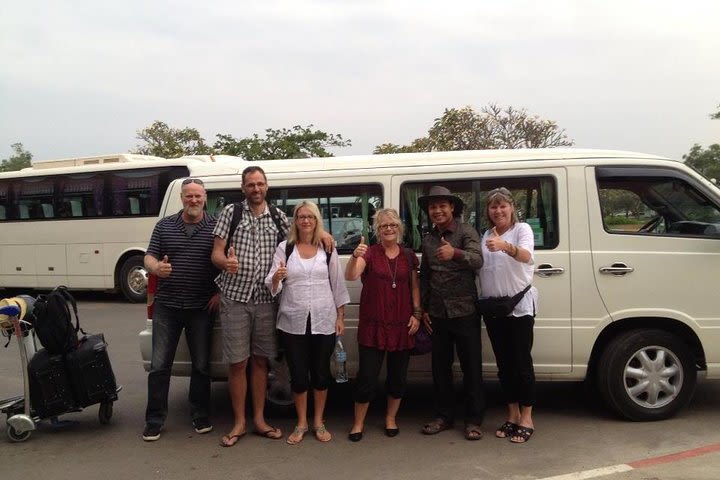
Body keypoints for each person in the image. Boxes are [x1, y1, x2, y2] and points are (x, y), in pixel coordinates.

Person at [211, 166, 334, 447]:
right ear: (243, 188)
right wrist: (225, 263)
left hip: (267, 300)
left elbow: (302, 233)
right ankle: (239, 422)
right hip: (236, 297)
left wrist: (324, 235)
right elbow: (216, 252)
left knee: (260, 361)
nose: (256, 189)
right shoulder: (231, 213)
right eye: (251, 185)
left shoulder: (278, 217)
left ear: (267, 187)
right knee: (238, 362)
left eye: (260, 184)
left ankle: (259, 420)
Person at [265, 201, 350, 445]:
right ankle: (301, 422)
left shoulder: (327, 248)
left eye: (310, 217)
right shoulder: (286, 248)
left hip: (323, 319)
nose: (305, 221)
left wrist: (341, 316)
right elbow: (272, 281)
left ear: (316, 220)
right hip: (293, 321)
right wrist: (277, 278)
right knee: (299, 376)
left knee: (321, 374)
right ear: (295, 221)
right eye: (301, 217)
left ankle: (318, 422)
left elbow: (337, 284)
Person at [142, 177, 219, 442]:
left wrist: (220, 292)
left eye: (198, 196)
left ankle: (200, 415)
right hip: (167, 306)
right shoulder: (164, 226)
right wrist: (155, 268)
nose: (193, 200)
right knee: (159, 366)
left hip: (201, 307)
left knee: (201, 366)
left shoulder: (216, 226)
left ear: (205, 197)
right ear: (182, 198)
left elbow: (226, 260)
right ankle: (154, 420)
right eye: (189, 196)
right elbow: (149, 256)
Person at [345, 208, 420, 442]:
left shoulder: (408, 256)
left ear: (400, 228)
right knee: (367, 378)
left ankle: (390, 418)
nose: (389, 229)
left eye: (393, 225)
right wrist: (354, 256)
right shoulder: (369, 253)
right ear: (377, 230)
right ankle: (358, 424)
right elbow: (351, 276)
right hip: (373, 324)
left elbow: (414, 287)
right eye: (383, 225)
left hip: (402, 323)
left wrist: (417, 313)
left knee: (397, 378)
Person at [418, 186, 486, 441]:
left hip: (465, 311)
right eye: (432, 207)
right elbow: (425, 275)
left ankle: (473, 420)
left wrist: (454, 253)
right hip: (437, 313)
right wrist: (423, 308)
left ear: (452, 208)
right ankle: (443, 417)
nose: (437, 211)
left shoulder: (466, 231)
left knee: (472, 369)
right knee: (440, 369)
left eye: (442, 206)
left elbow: (478, 261)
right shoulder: (428, 239)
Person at [479, 187, 538, 444]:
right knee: (504, 365)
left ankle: (527, 417)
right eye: (493, 207)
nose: (498, 210)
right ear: (488, 211)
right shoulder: (484, 235)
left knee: (521, 364)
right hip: (494, 309)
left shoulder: (521, 230)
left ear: (512, 207)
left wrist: (506, 246)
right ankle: (512, 414)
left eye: (503, 206)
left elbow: (527, 256)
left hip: (519, 308)